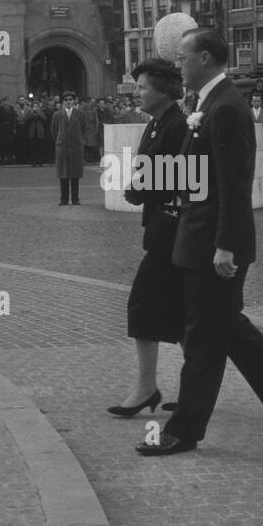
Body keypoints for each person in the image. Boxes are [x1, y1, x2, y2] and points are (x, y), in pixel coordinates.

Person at [138, 28, 263, 456]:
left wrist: (225, 246)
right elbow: (200, 174)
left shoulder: (226, 108)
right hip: (197, 236)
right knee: (228, 329)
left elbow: (235, 185)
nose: (178, 65)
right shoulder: (207, 104)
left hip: (212, 245)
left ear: (203, 58)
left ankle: (184, 430)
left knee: (203, 338)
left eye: (183, 58)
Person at [108, 59, 189, 418]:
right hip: (162, 231)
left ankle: (147, 387)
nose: (137, 92)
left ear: (162, 90)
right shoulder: (157, 124)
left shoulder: (178, 126)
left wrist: (142, 191)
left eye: (142, 87)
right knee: (187, 314)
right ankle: (187, 389)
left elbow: (183, 178)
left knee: (143, 305)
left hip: (173, 234)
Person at [52, 90, 85, 204]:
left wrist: (79, 139)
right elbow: (54, 130)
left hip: (76, 146)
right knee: (63, 174)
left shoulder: (80, 114)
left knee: (75, 174)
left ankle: (75, 199)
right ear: (63, 102)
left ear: (74, 101)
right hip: (63, 147)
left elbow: (84, 129)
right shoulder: (57, 115)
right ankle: (64, 199)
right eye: (66, 100)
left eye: (70, 100)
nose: (68, 102)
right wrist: (60, 140)